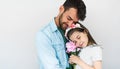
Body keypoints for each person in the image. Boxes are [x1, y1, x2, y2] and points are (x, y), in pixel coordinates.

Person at [35, 0, 86, 69]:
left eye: (74, 22)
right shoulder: (44, 35)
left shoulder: (74, 32)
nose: (70, 24)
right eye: (69, 18)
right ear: (61, 9)